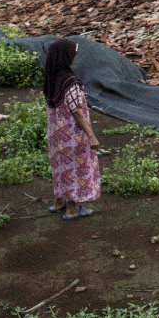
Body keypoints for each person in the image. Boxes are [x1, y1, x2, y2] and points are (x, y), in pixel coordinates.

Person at [43, 38, 100, 220]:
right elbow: (76, 111)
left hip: (56, 135)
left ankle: (58, 202)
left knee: (60, 166)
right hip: (73, 135)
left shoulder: (52, 81)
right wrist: (91, 135)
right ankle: (72, 209)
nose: (75, 57)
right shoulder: (70, 82)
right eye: (73, 53)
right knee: (75, 167)